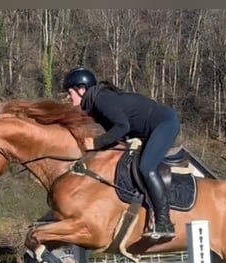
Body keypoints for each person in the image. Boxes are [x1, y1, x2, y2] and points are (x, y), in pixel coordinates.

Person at [62, 66, 179, 241]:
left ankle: (165, 222)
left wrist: (96, 143)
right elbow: (118, 133)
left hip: (164, 123)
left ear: (82, 89)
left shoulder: (102, 100)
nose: (68, 96)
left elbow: (122, 127)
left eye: (70, 92)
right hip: (147, 130)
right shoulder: (94, 105)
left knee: (146, 167)